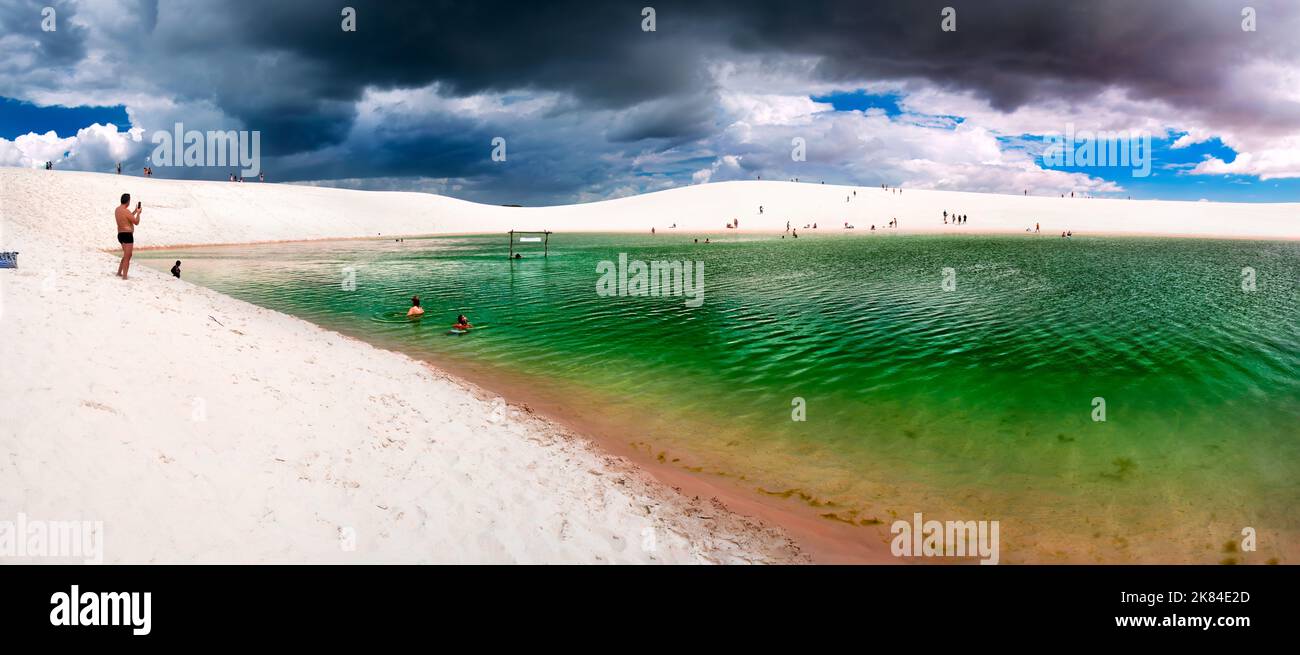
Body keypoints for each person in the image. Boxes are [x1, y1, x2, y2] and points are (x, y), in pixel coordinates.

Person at [115, 193, 142, 279]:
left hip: (120, 235)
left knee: (127, 255)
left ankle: (119, 273)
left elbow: (127, 217)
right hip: (127, 235)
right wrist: (138, 213)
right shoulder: (126, 211)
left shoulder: (117, 210)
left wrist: (134, 211)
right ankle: (125, 276)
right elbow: (136, 222)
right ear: (128, 201)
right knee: (127, 256)